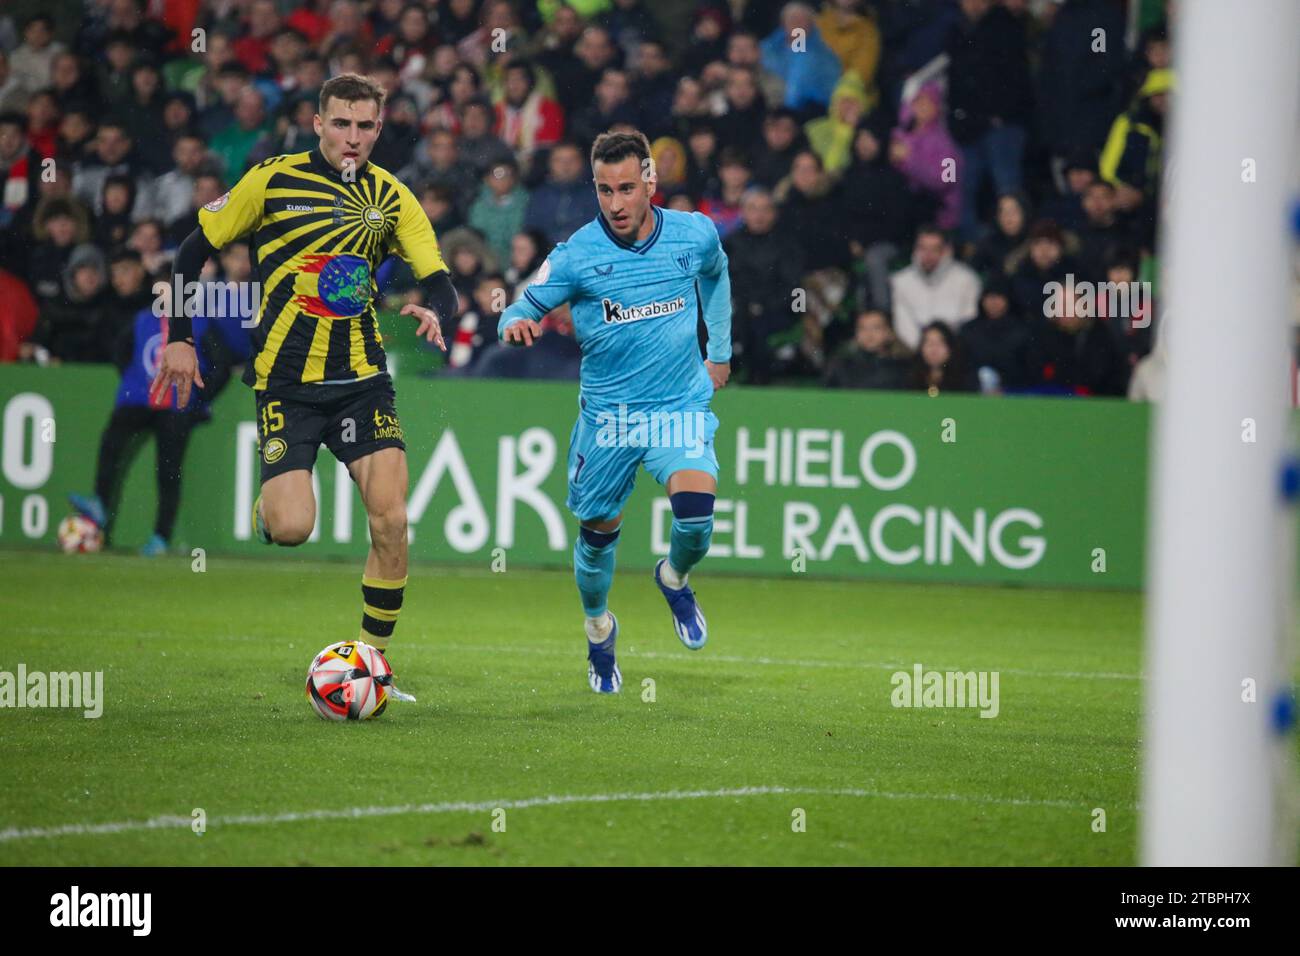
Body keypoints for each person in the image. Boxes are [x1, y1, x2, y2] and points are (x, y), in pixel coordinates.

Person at [150, 73, 460, 703]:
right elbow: (191, 252)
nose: (352, 137)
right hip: (286, 385)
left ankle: (371, 662)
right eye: (341, 124)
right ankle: (271, 513)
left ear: (379, 128)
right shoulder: (272, 179)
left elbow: (441, 280)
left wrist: (438, 312)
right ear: (318, 124)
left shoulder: (393, 198)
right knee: (292, 528)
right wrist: (180, 335)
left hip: (363, 382)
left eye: (365, 126)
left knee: (392, 521)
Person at [496, 130, 732, 694]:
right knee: (598, 536)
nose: (617, 203)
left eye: (628, 188)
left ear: (650, 180)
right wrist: (517, 325)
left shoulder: (692, 232)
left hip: (678, 405)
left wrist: (718, 352)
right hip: (609, 420)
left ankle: (673, 578)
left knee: (697, 517)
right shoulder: (576, 255)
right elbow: (515, 308)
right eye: (605, 190)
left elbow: (716, 273)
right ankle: (599, 629)